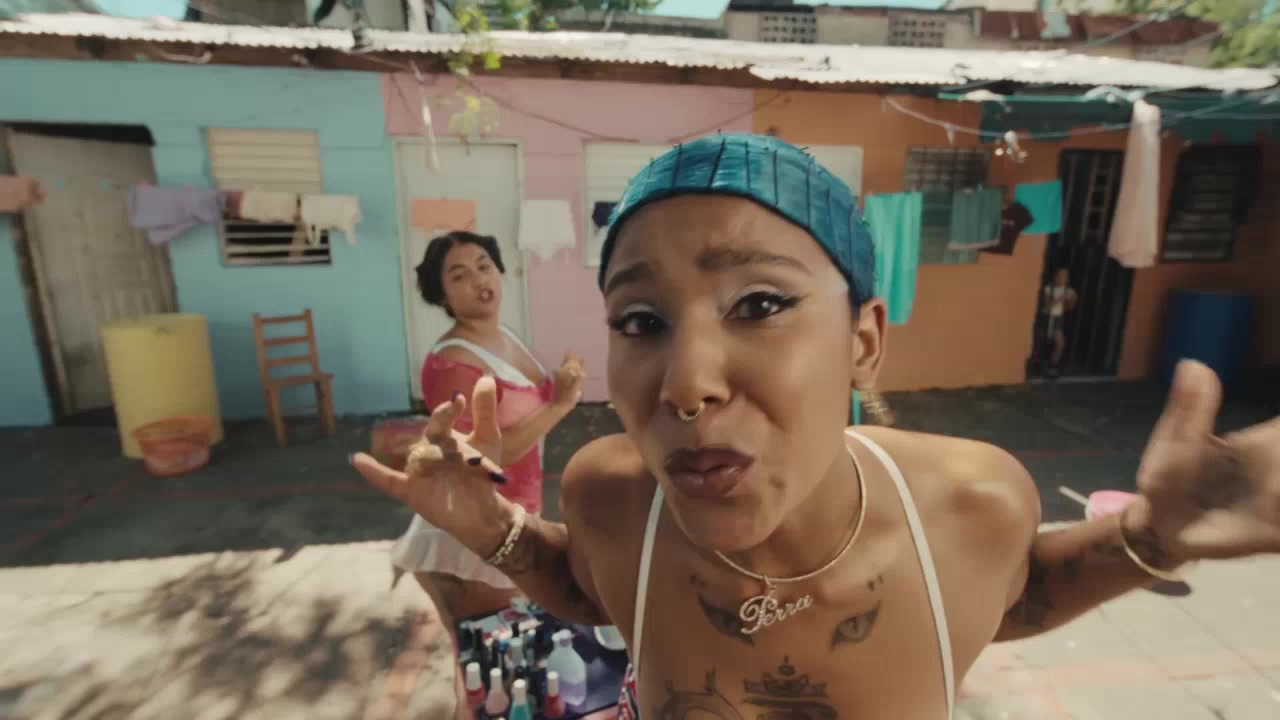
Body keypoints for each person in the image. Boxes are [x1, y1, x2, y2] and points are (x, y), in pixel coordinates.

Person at [354, 135, 1280, 720]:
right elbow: (591, 590)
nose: (686, 384)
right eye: (640, 320)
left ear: (863, 341)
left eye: (758, 303)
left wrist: (1152, 539)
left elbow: (1013, 593)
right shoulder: (612, 497)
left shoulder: (968, 506)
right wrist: (498, 533)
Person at [389, 231, 585, 719]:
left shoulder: (503, 336)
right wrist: (560, 404)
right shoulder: (452, 362)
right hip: (468, 537)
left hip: (507, 521)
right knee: (490, 676)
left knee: (493, 671)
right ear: (441, 295)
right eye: (459, 275)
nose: (478, 279)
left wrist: (558, 384)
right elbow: (478, 459)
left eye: (484, 265)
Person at [1042, 267, 1078, 378]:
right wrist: (1061, 297)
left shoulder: (1068, 290)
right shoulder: (1049, 289)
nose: (1064, 278)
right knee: (1042, 343)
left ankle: (1052, 367)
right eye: (1061, 275)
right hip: (1047, 318)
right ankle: (1040, 365)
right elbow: (1048, 306)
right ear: (1056, 277)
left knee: (1060, 344)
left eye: (1066, 276)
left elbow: (1068, 308)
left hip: (1058, 319)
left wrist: (1073, 300)